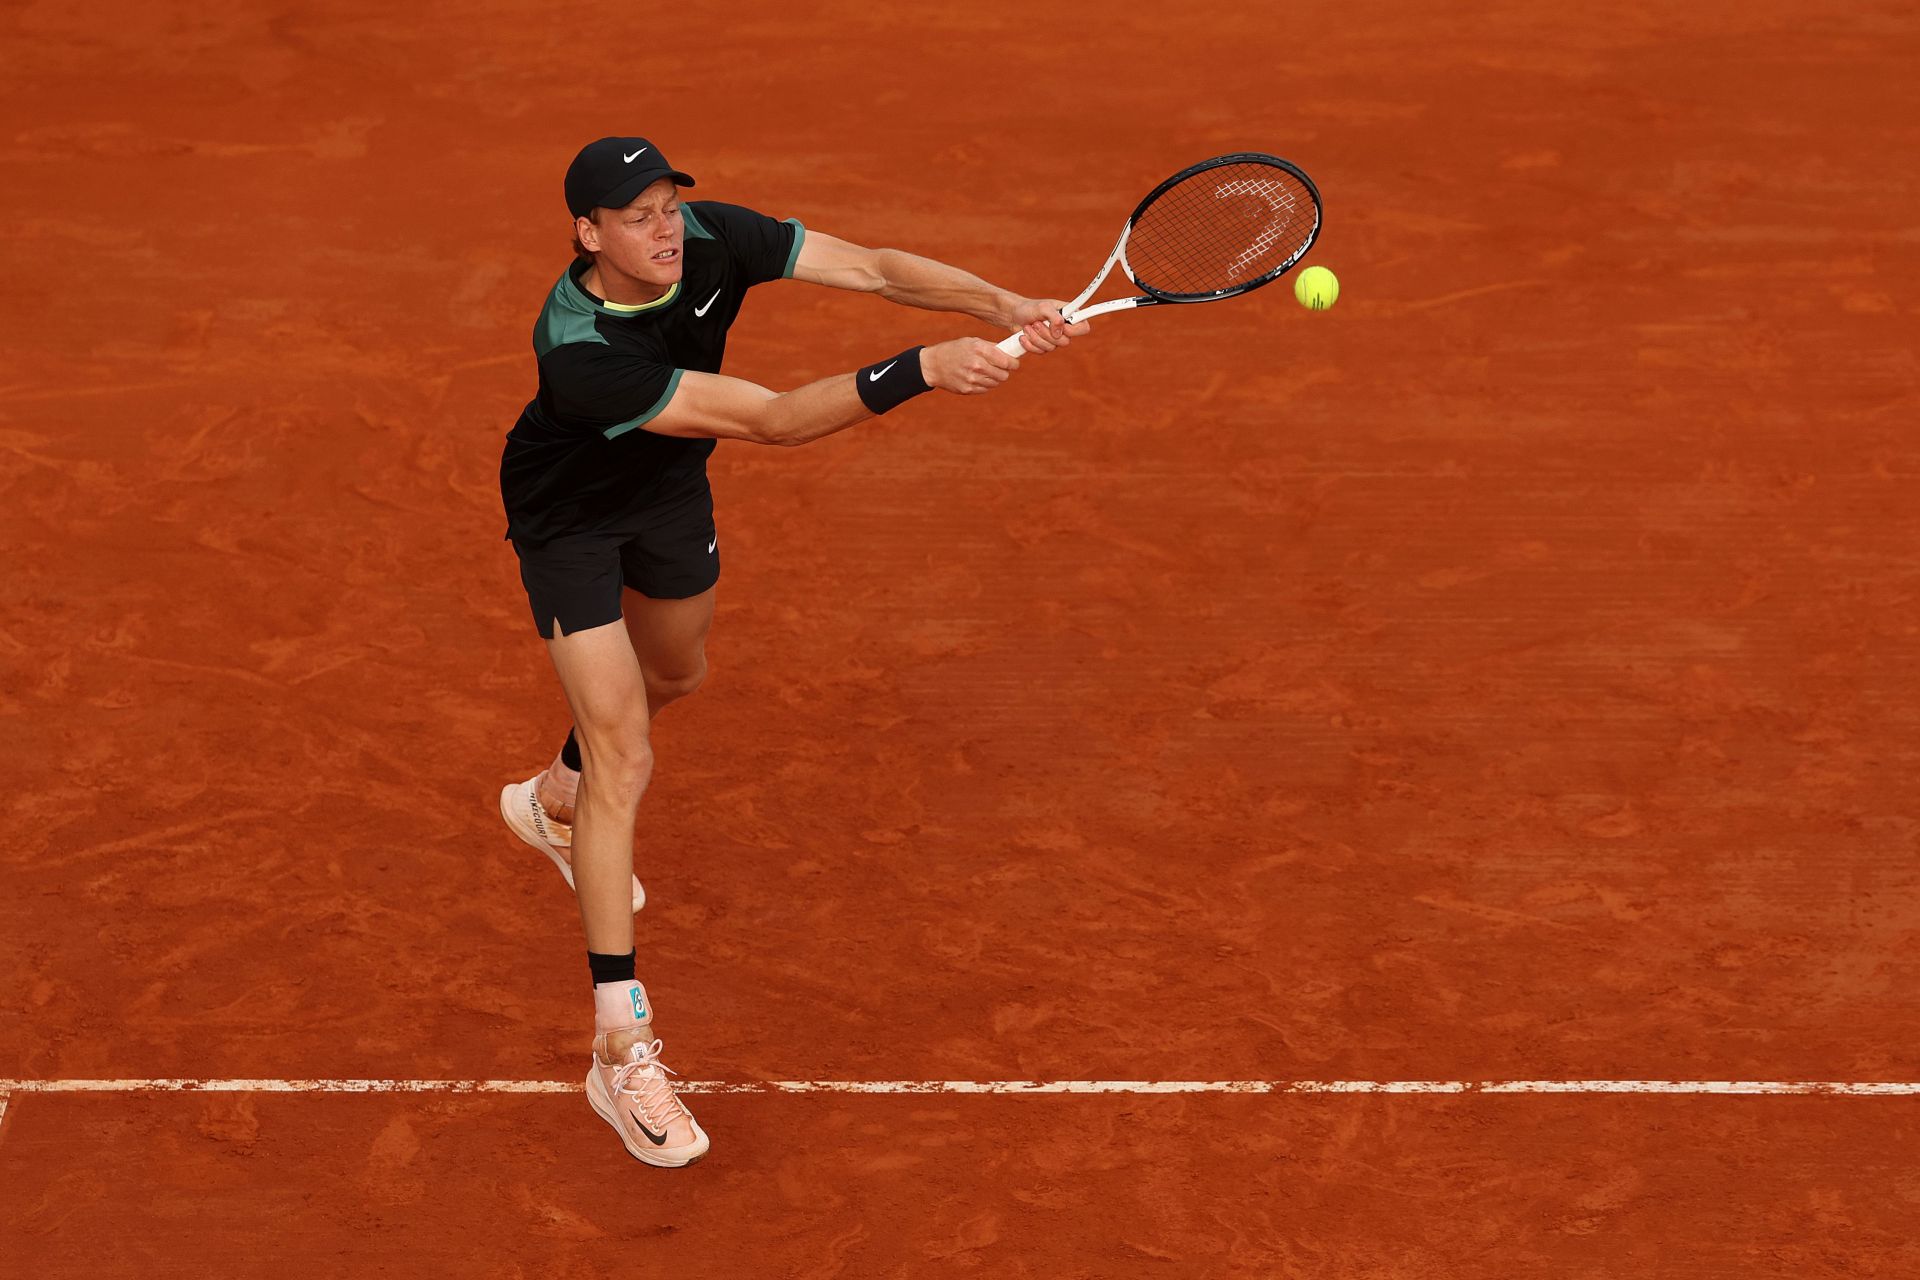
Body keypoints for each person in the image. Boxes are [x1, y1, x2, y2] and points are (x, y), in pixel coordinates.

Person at [496, 136, 1087, 1167]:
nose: (665, 228)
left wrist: (996, 303)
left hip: (669, 489)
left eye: (669, 205)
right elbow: (769, 419)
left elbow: (872, 266)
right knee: (625, 748)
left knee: (678, 670)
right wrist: (922, 371)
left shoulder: (714, 236)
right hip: (570, 520)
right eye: (635, 216)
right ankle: (620, 1044)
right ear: (588, 234)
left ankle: (553, 798)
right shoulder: (581, 350)